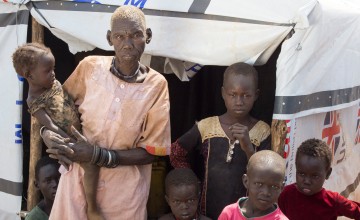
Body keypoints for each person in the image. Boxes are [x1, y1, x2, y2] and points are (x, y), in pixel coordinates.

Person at [40, 5, 171, 220]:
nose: (127, 44)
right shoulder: (89, 67)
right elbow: (56, 111)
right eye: (119, 36)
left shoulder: (157, 85)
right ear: (109, 38)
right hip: (76, 181)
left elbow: (152, 152)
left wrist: (98, 155)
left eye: (136, 35)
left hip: (123, 194)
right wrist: (47, 134)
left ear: (147, 37)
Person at [12, 42, 103, 219]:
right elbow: (50, 125)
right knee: (90, 167)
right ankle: (92, 207)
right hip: (68, 140)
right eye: (47, 70)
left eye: (53, 68)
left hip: (82, 131)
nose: (53, 73)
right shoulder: (34, 99)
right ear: (29, 75)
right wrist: (71, 141)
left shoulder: (52, 83)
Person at [170, 62, 271, 219]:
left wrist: (248, 148)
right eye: (233, 94)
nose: (239, 101)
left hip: (244, 214)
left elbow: (266, 175)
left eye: (246, 95)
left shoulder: (262, 131)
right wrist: (192, 183)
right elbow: (176, 152)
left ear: (256, 95)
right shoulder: (206, 126)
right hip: (207, 213)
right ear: (223, 93)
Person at [278, 138, 360, 220]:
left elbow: (356, 211)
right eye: (302, 174)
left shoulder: (333, 201)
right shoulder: (285, 195)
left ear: (327, 173)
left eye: (314, 176)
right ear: (296, 168)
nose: (307, 181)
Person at [218, 150, 288, 220]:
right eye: (259, 184)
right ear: (246, 181)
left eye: (274, 186)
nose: (266, 192)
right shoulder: (229, 213)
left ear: (281, 188)